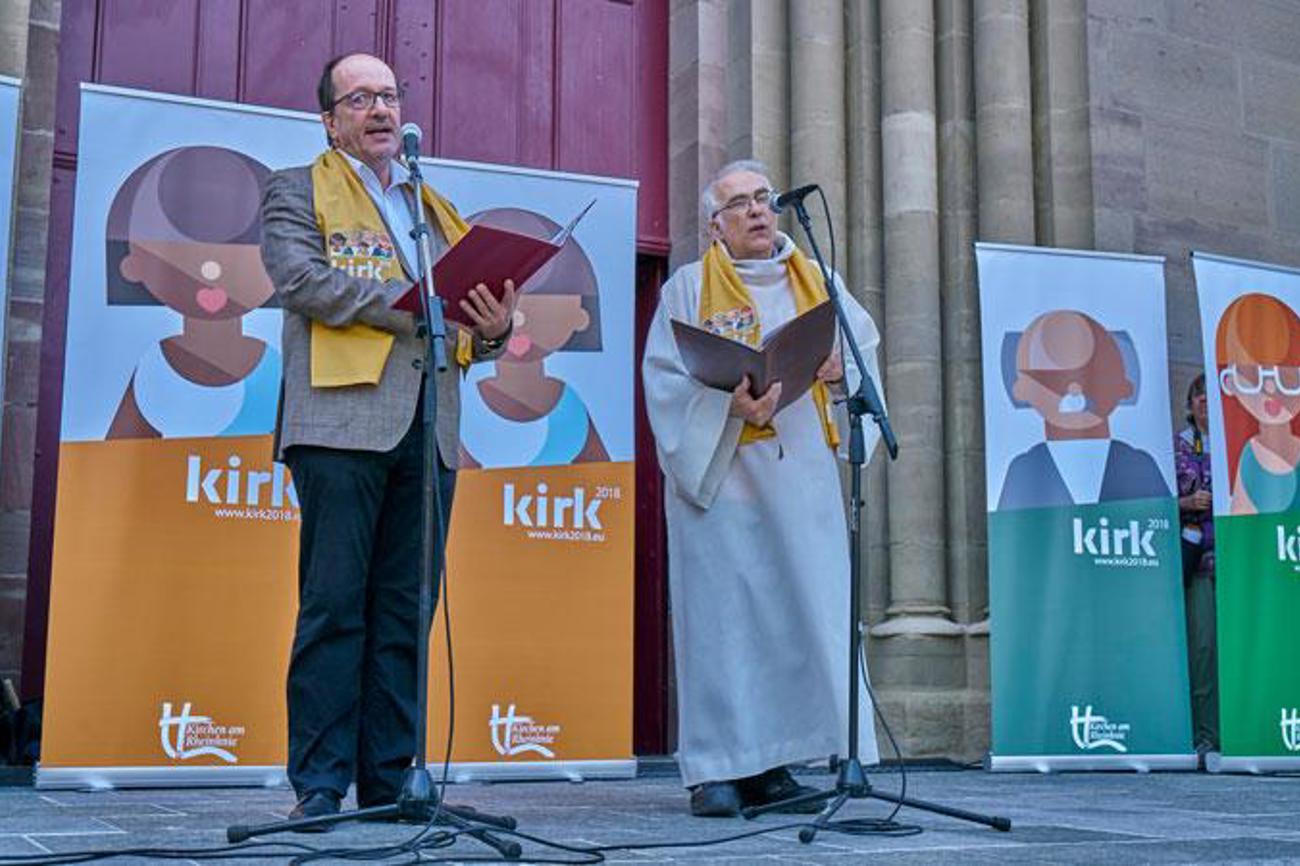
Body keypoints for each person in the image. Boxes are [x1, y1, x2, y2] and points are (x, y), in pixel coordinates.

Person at [259, 52, 516, 826]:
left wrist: (497, 330)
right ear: (329, 119)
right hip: (341, 423)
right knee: (336, 605)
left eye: (390, 95)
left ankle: (390, 779)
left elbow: (470, 313)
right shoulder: (295, 187)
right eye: (360, 97)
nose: (379, 109)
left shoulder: (430, 208)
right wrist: (413, 307)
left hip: (429, 426)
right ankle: (321, 784)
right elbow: (302, 281)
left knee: (408, 609)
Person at [642, 159, 884, 818]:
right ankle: (717, 771)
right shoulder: (689, 289)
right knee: (725, 628)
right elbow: (664, 381)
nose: (755, 211)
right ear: (714, 224)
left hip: (800, 479)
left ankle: (775, 764)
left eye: (762, 199)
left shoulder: (820, 284)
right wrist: (728, 409)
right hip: (722, 480)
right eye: (738, 204)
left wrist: (840, 373)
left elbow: (864, 358)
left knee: (792, 620)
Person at [104, 146, 280, 439]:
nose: (211, 269)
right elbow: (117, 451)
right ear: (131, 265)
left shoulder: (273, 365)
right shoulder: (154, 366)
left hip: (254, 484)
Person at [997, 310, 1170, 511]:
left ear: (1124, 386)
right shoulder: (1025, 470)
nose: (1074, 389)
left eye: (1094, 374)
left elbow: (1158, 522)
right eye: (1051, 379)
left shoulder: (1139, 464)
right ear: (1022, 390)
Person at [1215, 292, 1300, 515]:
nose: (1271, 390)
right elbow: (1240, 523)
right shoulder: (1250, 458)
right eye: (1254, 377)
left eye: (1287, 377)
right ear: (1230, 383)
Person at [1175, 373, 1218, 760]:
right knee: (1203, 648)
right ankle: (1206, 736)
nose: (1204, 400)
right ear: (1190, 404)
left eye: (1210, 394)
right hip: (1199, 563)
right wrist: (1186, 505)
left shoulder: (1241, 444)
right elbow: (1153, 500)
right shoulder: (1177, 447)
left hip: (1244, 563)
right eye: (1198, 395)